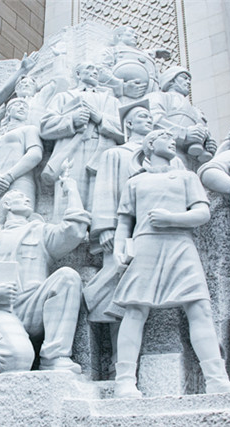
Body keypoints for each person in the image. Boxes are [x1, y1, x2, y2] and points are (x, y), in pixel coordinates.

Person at [111, 130, 230, 397]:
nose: (171, 141)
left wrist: (171, 219)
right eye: (164, 137)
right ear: (150, 144)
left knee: (200, 309)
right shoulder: (135, 182)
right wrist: (119, 250)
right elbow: (124, 221)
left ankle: (216, 378)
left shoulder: (187, 177)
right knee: (134, 310)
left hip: (180, 245)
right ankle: (124, 381)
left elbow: (202, 213)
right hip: (146, 245)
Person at [0, 177, 90, 376]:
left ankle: (55, 357)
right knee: (17, 361)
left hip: (33, 304)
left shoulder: (40, 231)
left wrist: (71, 190)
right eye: (21, 197)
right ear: (6, 205)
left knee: (67, 277)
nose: (27, 199)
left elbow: (73, 231)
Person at [84, 100, 153, 369]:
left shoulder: (159, 157)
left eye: (150, 117)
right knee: (118, 294)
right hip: (122, 232)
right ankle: (118, 359)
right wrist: (106, 228)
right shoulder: (115, 154)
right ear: (129, 124)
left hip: (155, 231)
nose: (148, 120)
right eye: (142, 116)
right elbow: (104, 191)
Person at [40, 62, 124, 209]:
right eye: (89, 68)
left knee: (102, 203)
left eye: (97, 70)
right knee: (68, 199)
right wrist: (72, 120)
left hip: (103, 152)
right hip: (73, 151)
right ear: (78, 74)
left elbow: (126, 131)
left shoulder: (112, 101)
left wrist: (101, 119)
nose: (95, 72)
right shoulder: (64, 97)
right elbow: (45, 127)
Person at [0, 98, 43, 220]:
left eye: (25, 107)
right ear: (8, 112)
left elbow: (35, 154)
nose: (22, 107)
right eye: (17, 105)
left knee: (20, 218)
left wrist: (8, 177)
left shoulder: (29, 129)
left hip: (19, 179)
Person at [146, 66, 216, 169]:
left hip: (193, 163)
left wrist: (209, 145)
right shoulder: (159, 97)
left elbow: (205, 132)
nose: (188, 82)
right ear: (171, 79)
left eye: (189, 79)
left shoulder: (197, 111)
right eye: (184, 78)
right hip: (169, 157)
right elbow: (153, 121)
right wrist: (184, 134)